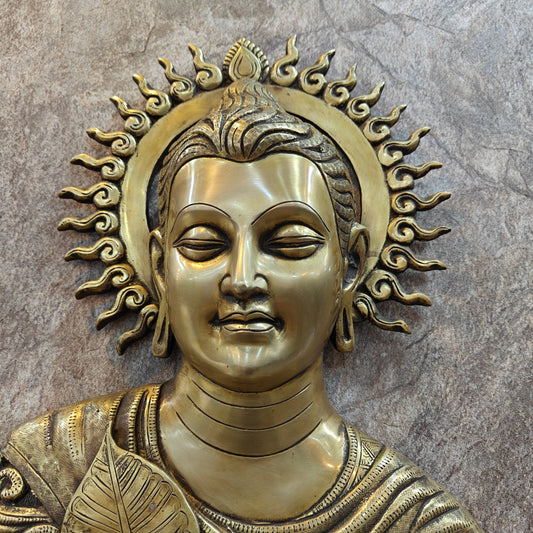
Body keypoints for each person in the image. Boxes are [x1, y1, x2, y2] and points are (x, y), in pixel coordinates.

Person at [0, 80, 483, 532]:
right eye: (204, 245)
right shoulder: (54, 469)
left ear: (350, 267)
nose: (242, 280)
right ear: (161, 269)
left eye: (289, 243)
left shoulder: (411, 521)